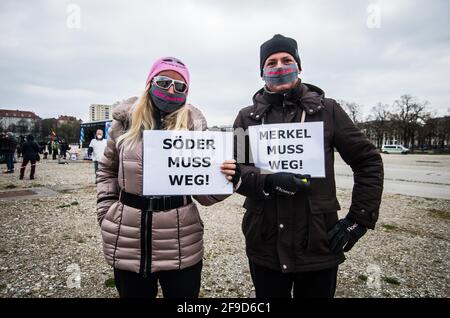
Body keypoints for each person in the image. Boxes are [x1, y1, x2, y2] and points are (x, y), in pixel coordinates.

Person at [233, 34, 384, 298]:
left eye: (287, 59)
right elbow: (236, 172)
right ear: (262, 72)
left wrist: (358, 219)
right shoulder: (246, 118)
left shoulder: (329, 110)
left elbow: (367, 161)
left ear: (299, 66)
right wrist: (268, 181)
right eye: (271, 62)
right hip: (265, 241)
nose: (279, 66)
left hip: (318, 243)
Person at [96, 57, 240, 298]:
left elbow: (204, 192)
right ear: (150, 83)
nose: (171, 89)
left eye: (180, 86)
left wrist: (227, 180)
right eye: (164, 82)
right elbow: (107, 170)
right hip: (128, 237)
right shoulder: (122, 124)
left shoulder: (195, 126)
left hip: (181, 241)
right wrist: (106, 209)